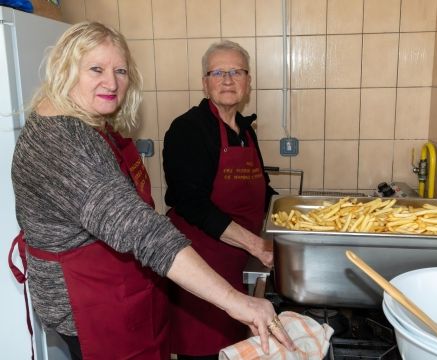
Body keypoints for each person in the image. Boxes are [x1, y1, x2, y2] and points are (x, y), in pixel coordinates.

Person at [9, 22, 294, 360]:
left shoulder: (88, 126)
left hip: (118, 288)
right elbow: (141, 229)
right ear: (65, 69)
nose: (112, 82)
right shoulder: (61, 142)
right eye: (96, 69)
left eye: (120, 71)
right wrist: (237, 300)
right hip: (89, 305)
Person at [163, 40, 278, 359]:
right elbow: (191, 203)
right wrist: (256, 244)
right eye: (217, 72)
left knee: (231, 346)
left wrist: (291, 226)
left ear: (249, 81)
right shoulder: (188, 130)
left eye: (236, 71)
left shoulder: (245, 130)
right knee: (203, 349)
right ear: (205, 82)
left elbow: (263, 190)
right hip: (199, 264)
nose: (227, 80)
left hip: (234, 259)